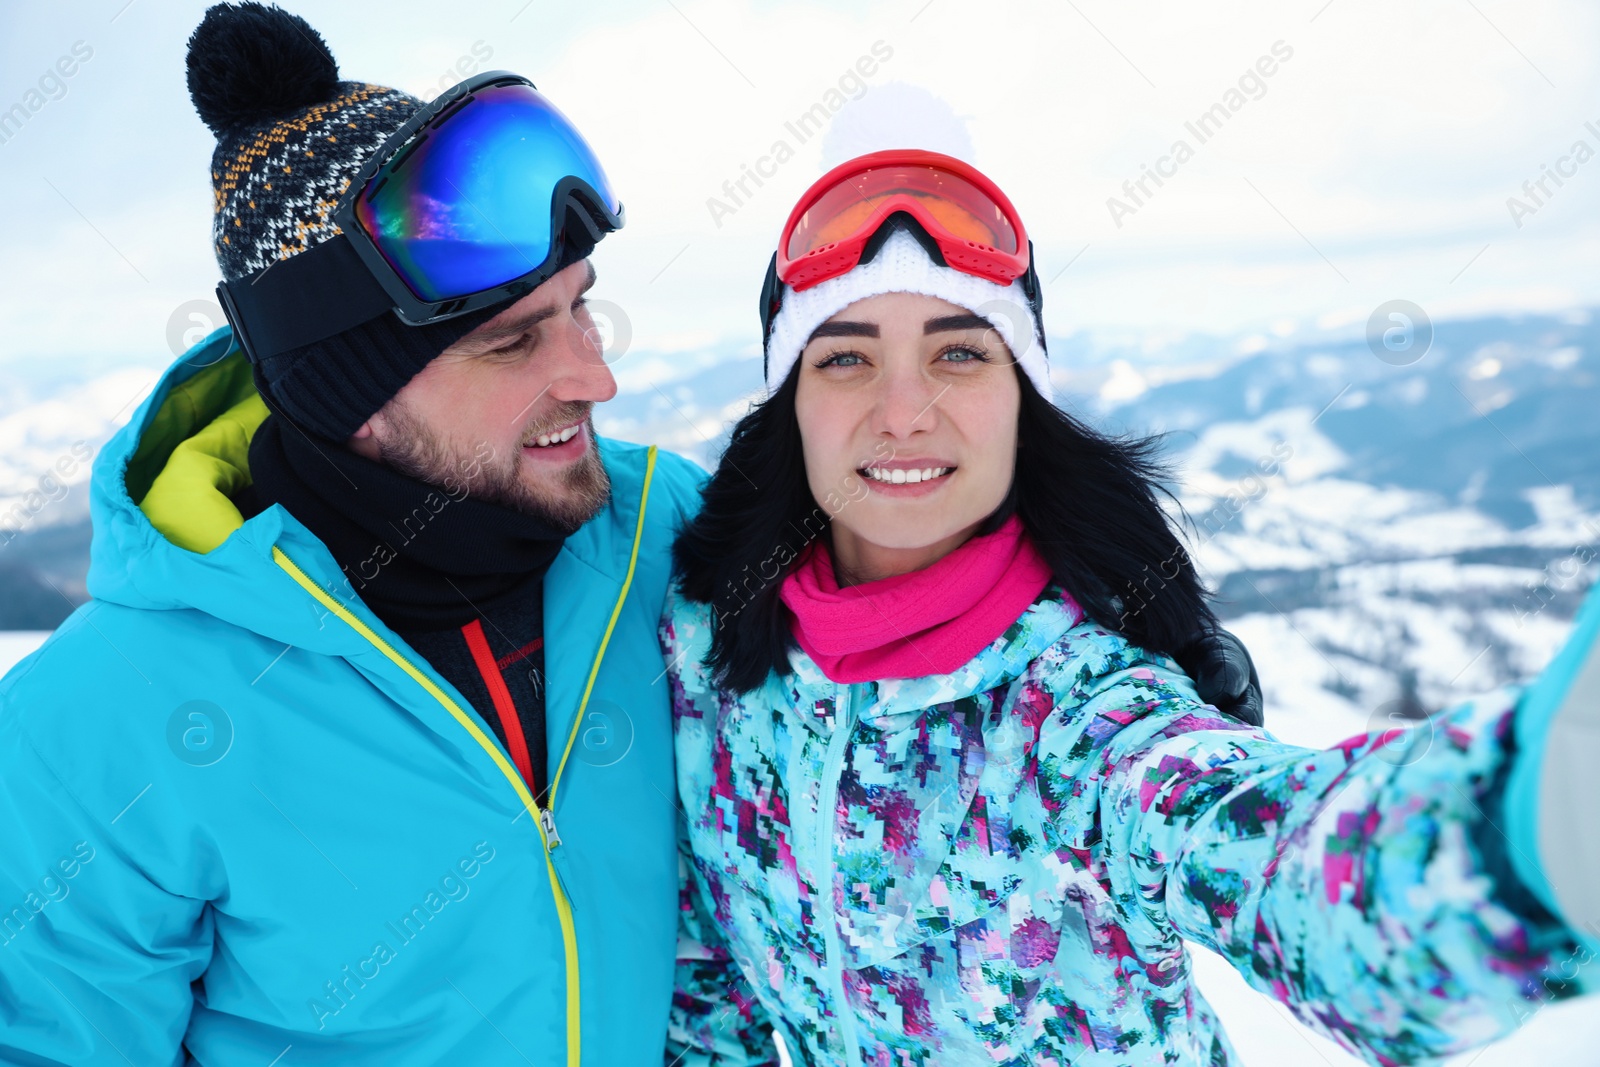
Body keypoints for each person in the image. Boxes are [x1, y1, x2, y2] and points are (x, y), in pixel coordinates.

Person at [662, 149, 1600, 1065]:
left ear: (1020, 396)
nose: (905, 408)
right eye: (845, 359)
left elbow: (1280, 864)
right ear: (791, 406)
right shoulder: (714, 662)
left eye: (958, 350)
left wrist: (1529, 827)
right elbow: (702, 984)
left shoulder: (1083, 715)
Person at [0, 5, 709, 1064]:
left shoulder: (666, 537)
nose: (595, 376)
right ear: (348, 397)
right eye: (514, 340)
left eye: (581, 308)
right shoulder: (96, 726)